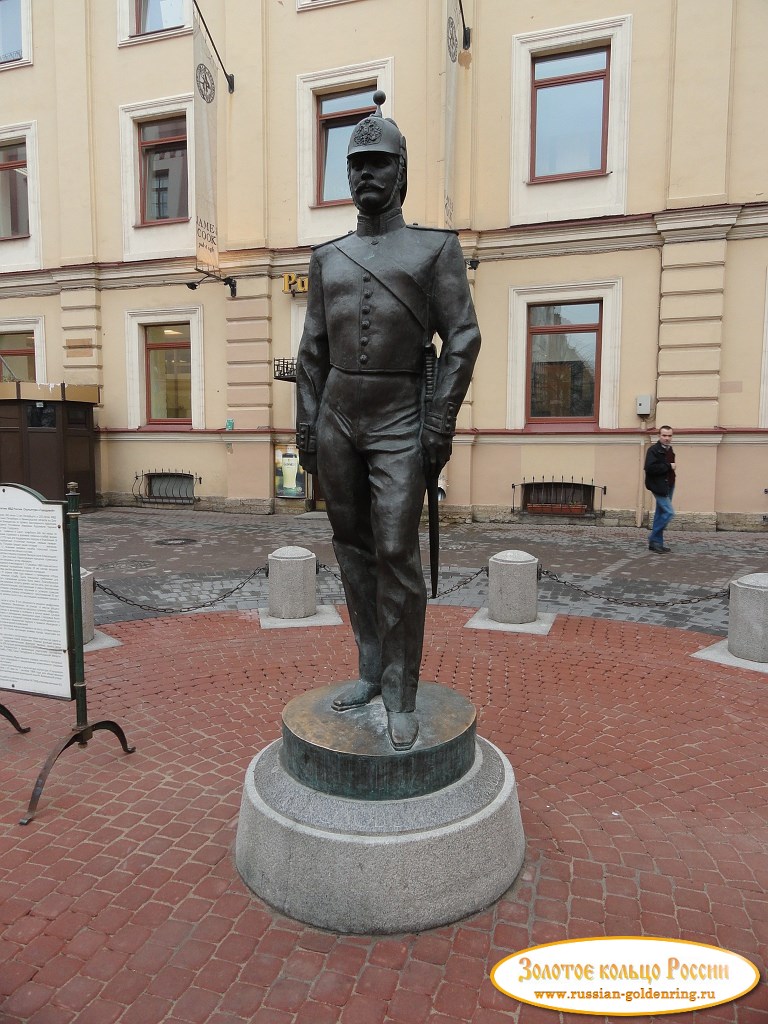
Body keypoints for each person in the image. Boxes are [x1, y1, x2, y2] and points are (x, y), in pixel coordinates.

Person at [295, 92, 481, 751]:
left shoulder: (434, 252)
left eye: (379, 164)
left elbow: (462, 338)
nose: (365, 175)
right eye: (356, 166)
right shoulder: (327, 258)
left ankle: (402, 691)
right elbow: (312, 350)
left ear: (402, 172)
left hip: (402, 417)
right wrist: (307, 431)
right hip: (339, 418)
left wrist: (439, 422)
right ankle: (371, 666)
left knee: (398, 554)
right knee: (351, 549)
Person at [644, 425, 676, 553]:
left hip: (669, 485)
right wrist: (668, 466)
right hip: (658, 487)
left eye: (669, 436)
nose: (667, 438)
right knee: (669, 513)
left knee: (660, 514)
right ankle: (653, 537)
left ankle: (656, 544)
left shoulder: (669, 450)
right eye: (664, 435)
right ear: (659, 436)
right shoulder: (653, 450)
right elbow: (650, 468)